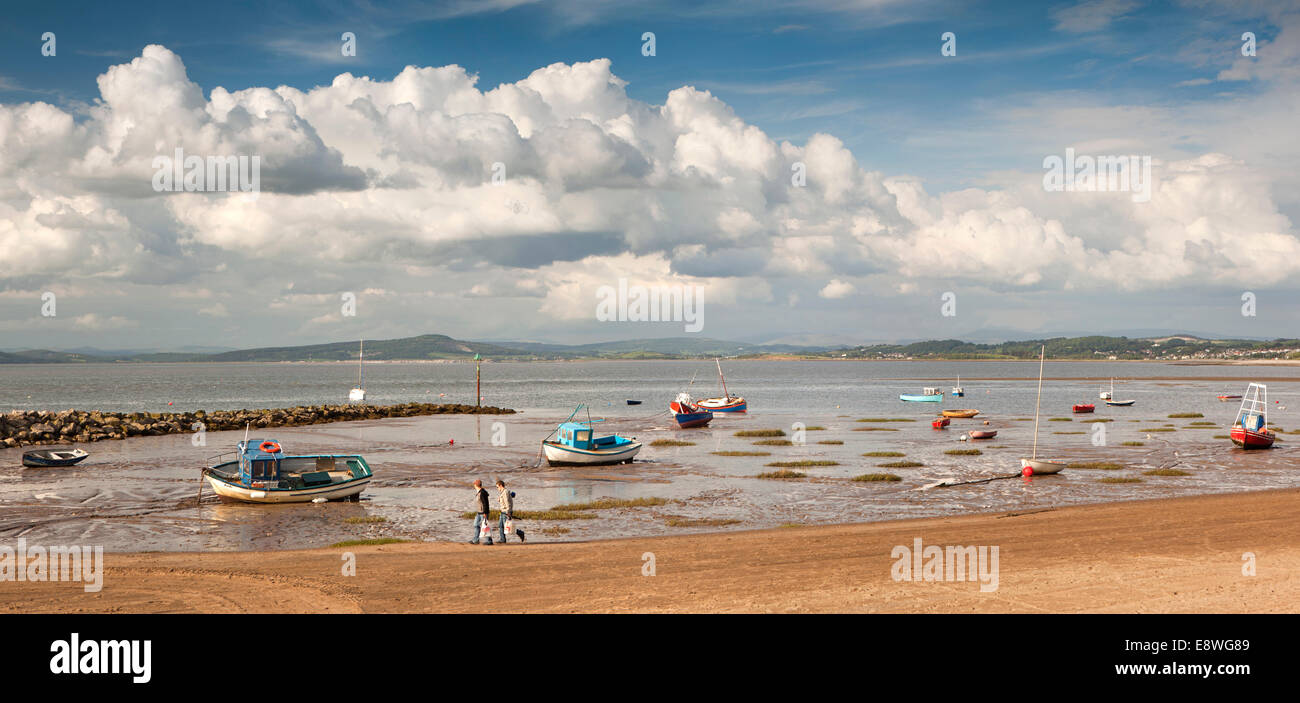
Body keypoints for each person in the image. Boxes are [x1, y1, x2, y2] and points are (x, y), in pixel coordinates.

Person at [496, 479, 525, 544]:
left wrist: (508, 512)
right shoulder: (503, 492)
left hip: (506, 512)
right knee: (501, 526)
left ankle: (520, 533)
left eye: (497, 487)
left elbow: (508, 503)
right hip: (502, 511)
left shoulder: (505, 492)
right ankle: (502, 539)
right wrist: (500, 500)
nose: (497, 488)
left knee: (508, 526)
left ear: (500, 485)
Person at [469, 479, 492, 545]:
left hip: (483, 512)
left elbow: (485, 504)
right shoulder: (479, 492)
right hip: (479, 512)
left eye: (474, 484)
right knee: (476, 525)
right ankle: (476, 540)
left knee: (485, 526)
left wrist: (485, 513)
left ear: (475, 485)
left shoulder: (482, 493)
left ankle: (489, 541)